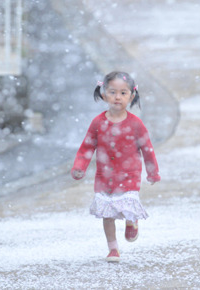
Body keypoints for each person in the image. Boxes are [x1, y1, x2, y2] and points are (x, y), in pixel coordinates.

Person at [71, 71, 161, 263]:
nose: (117, 97)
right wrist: (80, 166)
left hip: (129, 176)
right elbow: (87, 146)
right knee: (108, 213)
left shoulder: (136, 124)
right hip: (104, 178)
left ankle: (132, 221)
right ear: (103, 94)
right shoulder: (97, 122)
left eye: (123, 93)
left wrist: (153, 172)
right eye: (112, 92)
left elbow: (147, 149)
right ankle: (113, 248)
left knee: (128, 204)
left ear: (131, 96)